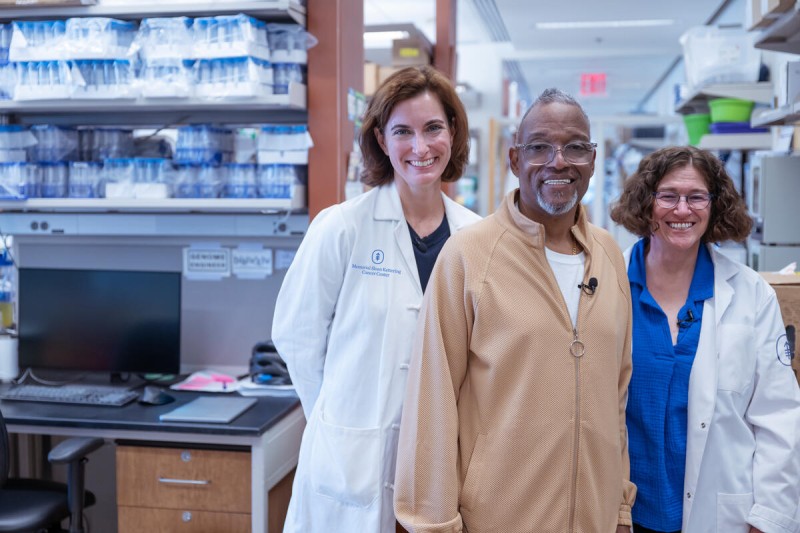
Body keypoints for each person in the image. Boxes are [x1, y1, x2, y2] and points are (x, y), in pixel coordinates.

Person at [394, 88, 636, 532]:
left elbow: (615, 397)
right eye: (539, 146)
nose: (559, 161)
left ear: (593, 160)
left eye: (576, 146)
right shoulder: (468, 256)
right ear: (514, 160)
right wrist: (433, 523)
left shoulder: (609, 255)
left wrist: (620, 508)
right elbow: (432, 401)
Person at [271, 65, 481, 533]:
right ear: (382, 141)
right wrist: (337, 422)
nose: (420, 147)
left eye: (433, 128)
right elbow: (296, 336)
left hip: (443, 465)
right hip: (352, 461)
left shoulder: (477, 236)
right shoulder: (341, 226)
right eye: (402, 131)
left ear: (453, 133)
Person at [610, 146, 800, 533]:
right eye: (668, 196)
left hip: (720, 511)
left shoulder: (750, 294)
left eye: (696, 197)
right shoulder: (608, 284)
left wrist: (769, 517)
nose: (682, 210)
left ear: (715, 206)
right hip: (623, 512)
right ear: (646, 203)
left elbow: (778, 415)